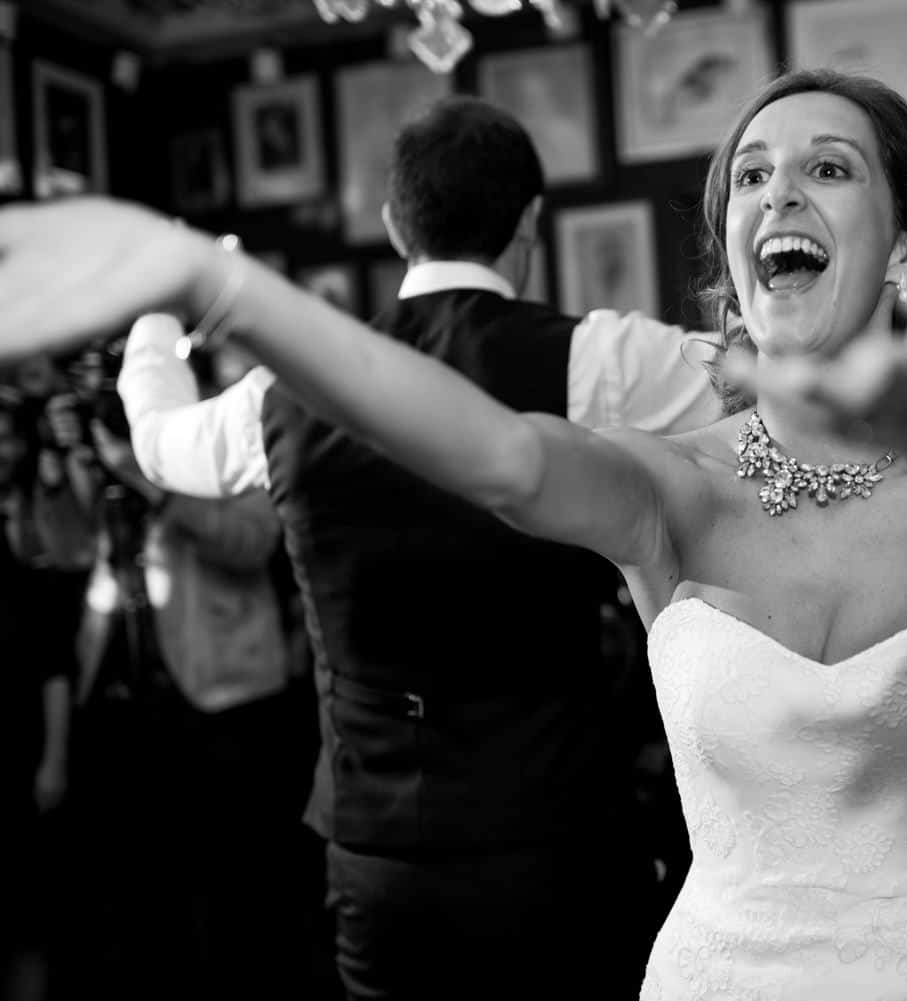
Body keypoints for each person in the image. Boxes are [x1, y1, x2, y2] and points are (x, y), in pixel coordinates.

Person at [0, 69, 907, 1000]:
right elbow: (504, 457)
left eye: (828, 167)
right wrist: (218, 288)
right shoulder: (666, 485)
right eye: (753, 176)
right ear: (730, 257)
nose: (779, 195)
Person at [114, 96, 724, 999]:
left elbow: (158, 443)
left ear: (398, 225)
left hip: (379, 857)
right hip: (553, 838)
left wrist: (160, 319)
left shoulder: (281, 393)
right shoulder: (599, 360)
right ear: (530, 223)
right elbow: (762, 387)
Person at [0, 401, 73, 1001]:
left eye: (10, 439)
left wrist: (54, 760)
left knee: (27, 916)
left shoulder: (38, 521)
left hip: (20, 739)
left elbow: (52, 664)